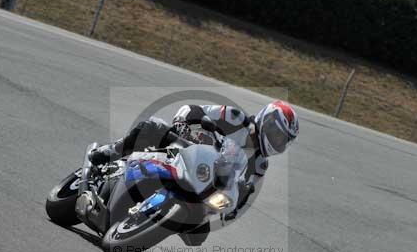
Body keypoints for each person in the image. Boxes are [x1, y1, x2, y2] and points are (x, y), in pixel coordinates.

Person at [75, 100, 299, 243]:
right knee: (153, 128)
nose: (275, 140)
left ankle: (151, 220)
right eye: (276, 133)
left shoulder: (260, 165)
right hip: (187, 152)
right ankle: (107, 153)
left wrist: (230, 206)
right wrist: (185, 124)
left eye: (281, 140)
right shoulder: (234, 118)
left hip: (206, 188)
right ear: (266, 120)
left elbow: (240, 200)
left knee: (199, 235)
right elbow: (191, 110)